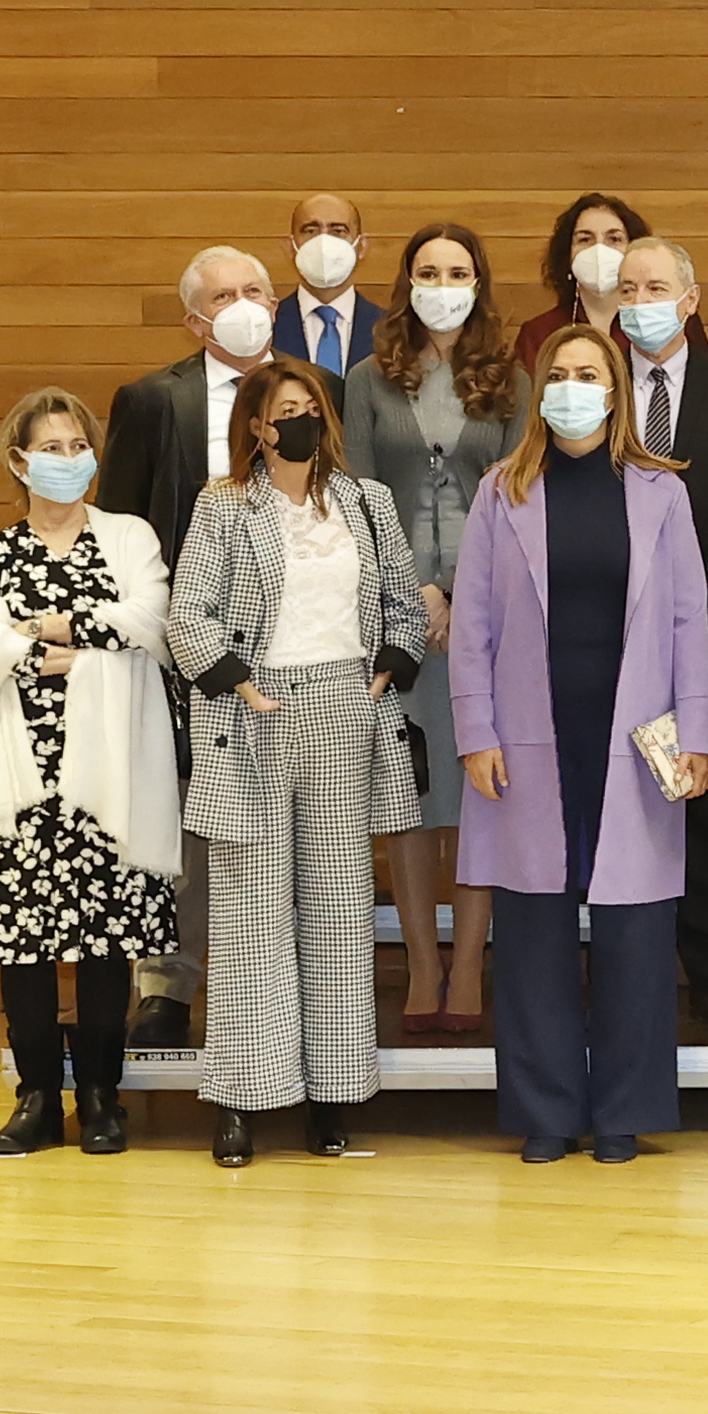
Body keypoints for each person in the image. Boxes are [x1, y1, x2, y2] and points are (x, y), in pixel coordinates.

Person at [451, 325, 708, 1164]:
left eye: (589, 373)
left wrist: (701, 728)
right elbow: (472, 625)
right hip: (527, 739)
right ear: (540, 391)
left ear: (616, 391)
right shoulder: (502, 490)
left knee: (635, 930)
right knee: (532, 927)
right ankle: (546, 1112)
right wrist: (475, 731)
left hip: (635, 740)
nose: (572, 386)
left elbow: (689, 620)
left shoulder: (661, 492)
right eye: (559, 373)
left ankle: (621, 1113)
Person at [164, 356, 428, 1168]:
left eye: (310, 407)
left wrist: (383, 674)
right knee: (250, 915)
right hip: (255, 714)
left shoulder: (367, 501)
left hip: (345, 709)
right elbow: (188, 615)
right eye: (284, 410)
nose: (301, 420)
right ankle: (241, 1099)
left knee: (338, 911)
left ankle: (331, 1094)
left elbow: (404, 606)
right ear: (256, 425)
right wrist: (242, 687)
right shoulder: (223, 507)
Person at [0, 388, 184, 1159]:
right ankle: (38, 1097)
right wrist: (73, 651)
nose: (67, 460)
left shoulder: (128, 537)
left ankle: (103, 1097)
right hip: (23, 773)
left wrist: (46, 627)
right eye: (51, 448)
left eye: (78, 446)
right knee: (25, 940)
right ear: (19, 461)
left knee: (109, 935)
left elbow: (151, 623)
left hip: (113, 767)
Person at [95, 240, 278, 1046]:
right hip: (186, 644)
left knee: (279, 814)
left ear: (275, 305)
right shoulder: (151, 400)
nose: (241, 307)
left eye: (254, 291)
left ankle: (266, 984)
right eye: (222, 296)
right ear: (193, 321)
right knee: (181, 814)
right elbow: (119, 527)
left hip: (296, 641)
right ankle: (166, 986)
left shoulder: (322, 390)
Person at [343, 222, 523, 1034]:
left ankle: (472, 964)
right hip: (392, 611)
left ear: (478, 283)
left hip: (488, 611)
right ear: (406, 283)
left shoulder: (513, 379)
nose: (442, 285)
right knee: (407, 791)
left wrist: (454, 592)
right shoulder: (368, 379)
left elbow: (520, 493)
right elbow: (356, 493)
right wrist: (415, 591)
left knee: (479, 790)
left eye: (457, 272)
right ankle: (422, 962)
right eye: (428, 271)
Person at [609, 237, 708, 1032]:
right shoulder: (593, 386)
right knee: (618, 802)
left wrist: (696, 600)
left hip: (707, 632)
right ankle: (624, 974)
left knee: (701, 800)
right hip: (611, 636)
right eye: (628, 289)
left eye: (656, 287)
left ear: (690, 299)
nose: (641, 302)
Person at [512, 192, 649, 365]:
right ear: (567, 254)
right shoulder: (539, 333)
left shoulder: (654, 326)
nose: (599, 250)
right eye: (585, 239)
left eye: (614, 239)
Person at [271, 192, 379, 375]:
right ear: (290, 247)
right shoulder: (266, 326)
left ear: (361, 247)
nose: (323, 242)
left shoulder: (390, 329)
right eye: (310, 230)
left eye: (338, 231)